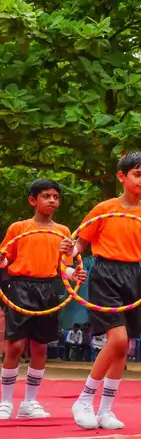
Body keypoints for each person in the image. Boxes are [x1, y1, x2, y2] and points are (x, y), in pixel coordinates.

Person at [63, 152, 141, 430]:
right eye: (138, 174)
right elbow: (79, 245)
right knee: (118, 339)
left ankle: (106, 409)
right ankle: (84, 399)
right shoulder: (104, 208)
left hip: (132, 276)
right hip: (105, 273)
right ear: (122, 176)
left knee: (123, 346)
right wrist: (67, 251)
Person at [0, 179, 72, 420]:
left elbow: (65, 267)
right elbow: (6, 259)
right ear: (33, 200)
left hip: (48, 289)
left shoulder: (63, 232)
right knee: (17, 345)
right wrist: (3, 262)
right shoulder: (18, 228)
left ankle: (29, 403)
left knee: (40, 347)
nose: (52, 200)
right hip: (20, 286)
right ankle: (6, 401)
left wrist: (74, 274)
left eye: (55, 196)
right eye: (46, 196)